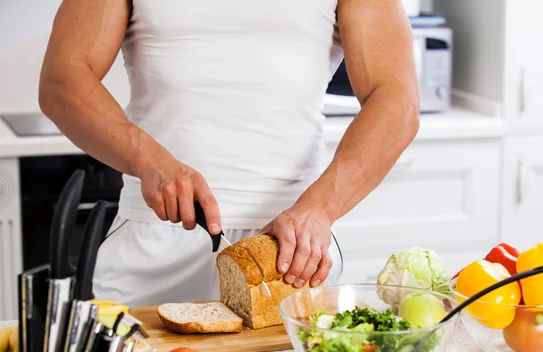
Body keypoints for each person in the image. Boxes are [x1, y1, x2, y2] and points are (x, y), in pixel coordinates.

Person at [39, 0, 420, 307]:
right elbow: (63, 79)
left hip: (291, 249)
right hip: (154, 238)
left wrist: (320, 209)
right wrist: (149, 160)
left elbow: (396, 101)